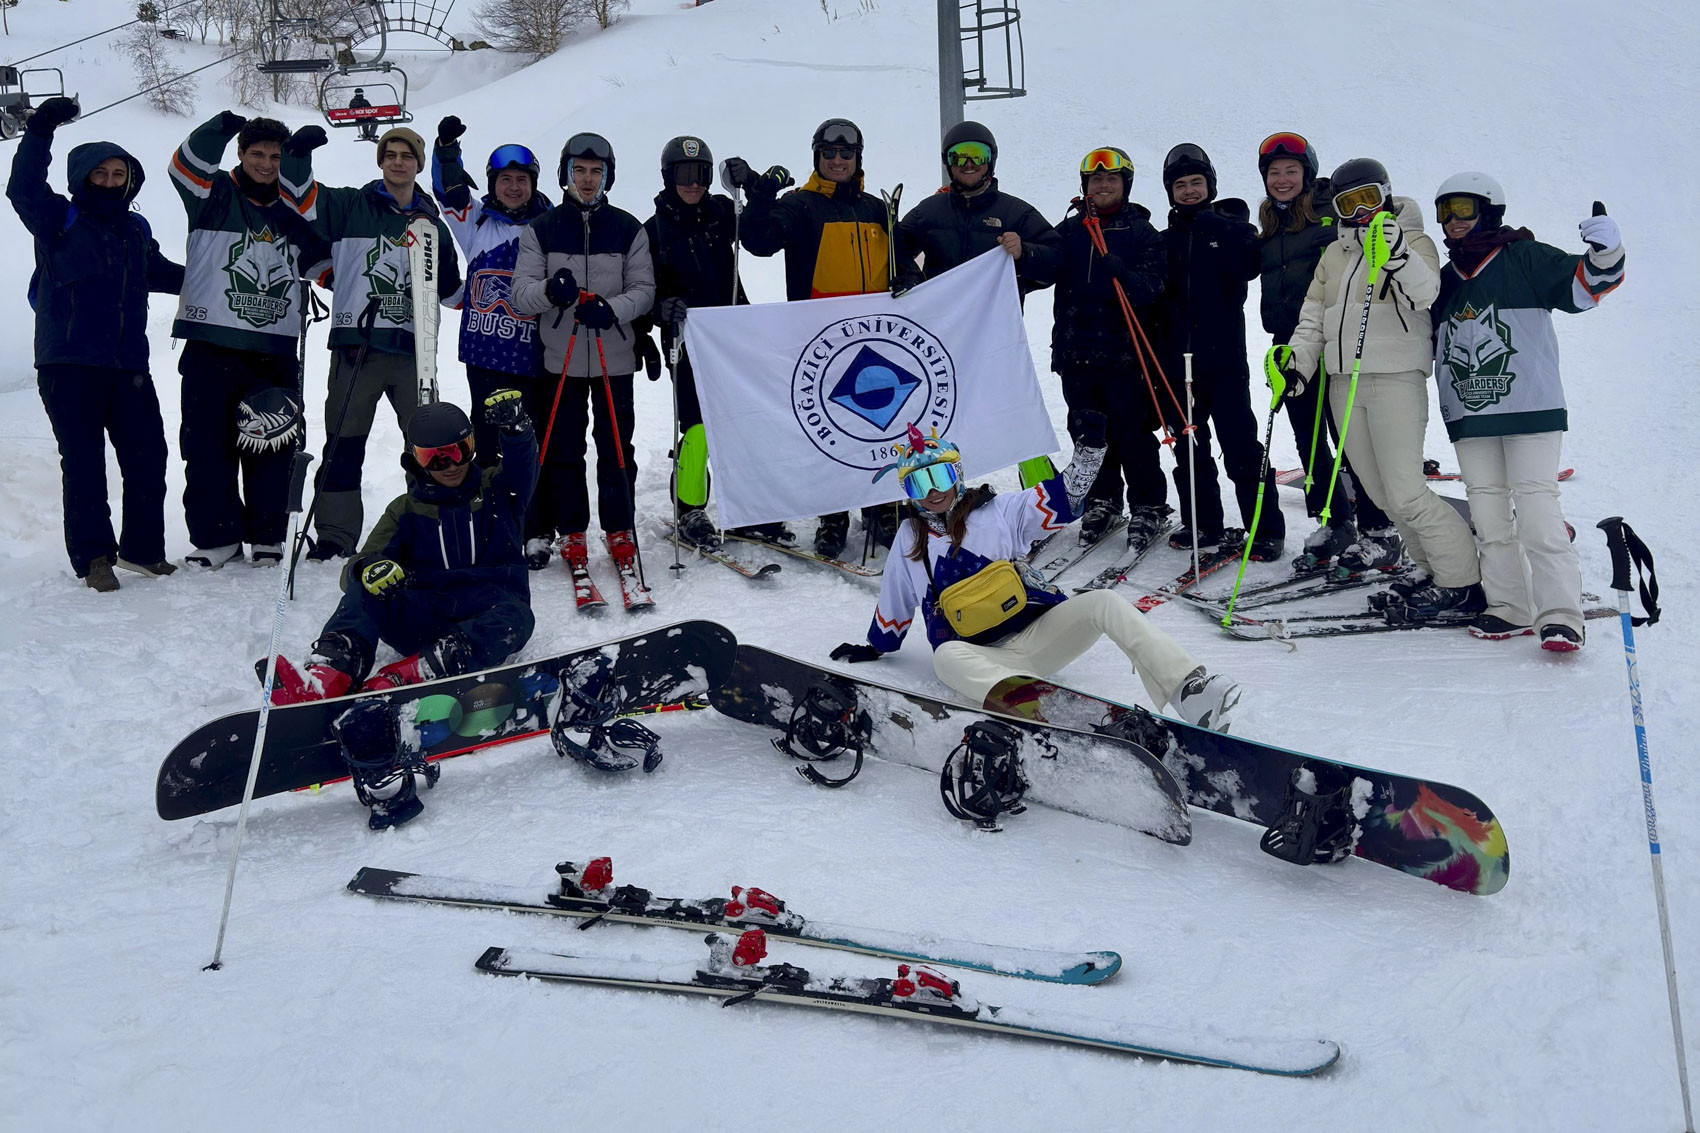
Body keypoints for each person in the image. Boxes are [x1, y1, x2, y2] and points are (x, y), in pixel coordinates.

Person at [830, 418, 1242, 733]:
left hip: (1041, 635)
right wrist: (877, 644)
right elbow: (896, 597)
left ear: (957, 474)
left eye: (939, 475)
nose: (932, 491)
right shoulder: (909, 537)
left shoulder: (999, 511)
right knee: (945, 657)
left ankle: (1190, 689)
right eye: (919, 482)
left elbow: (1066, 499)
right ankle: (1036, 709)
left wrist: (1090, 451)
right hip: (980, 656)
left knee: (1104, 602)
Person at [1431, 173, 1624, 650]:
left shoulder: (1524, 257)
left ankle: (1561, 613)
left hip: (1530, 410)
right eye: (1444, 211)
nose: (1453, 221)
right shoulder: (1442, 279)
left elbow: (1586, 287)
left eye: (1462, 208)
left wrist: (1606, 253)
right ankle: (1509, 605)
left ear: (1489, 210)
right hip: (1471, 416)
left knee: (1537, 511)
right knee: (1489, 514)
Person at [1284, 158, 1482, 617]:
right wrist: (1298, 364)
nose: (1360, 212)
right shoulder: (1333, 254)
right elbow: (1314, 314)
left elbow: (1426, 292)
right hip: (1342, 382)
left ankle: (1462, 579)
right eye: (1348, 204)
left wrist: (1395, 256)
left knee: (1407, 490)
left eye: (1368, 199)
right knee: (1379, 493)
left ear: (1386, 195)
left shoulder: (1413, 240)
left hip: (1395, 377)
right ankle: (1428, 567)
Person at [7, 95, 184, 592]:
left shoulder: (134, 229)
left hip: (128, 364)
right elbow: (21, 187)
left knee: (147, 454)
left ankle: (143, 551)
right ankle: (94, 558)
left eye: (118, 174)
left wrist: (214, 277)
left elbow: (160, 274)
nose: (110, 181)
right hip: (68, 364)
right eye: (100, 173)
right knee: (84, 462)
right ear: (83, 177)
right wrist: (40, 129)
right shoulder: (57, 219)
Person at [270, 392, 538, 704]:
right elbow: (357, 567)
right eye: (434, 458)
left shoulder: (500, 492)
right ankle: (331, 672)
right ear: (415, 459)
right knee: (365, 588)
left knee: (518, 618)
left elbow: (523, 467)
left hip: (489, 612)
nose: (450, 465)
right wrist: (370, 568)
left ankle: (409, 675)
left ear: (473, 447)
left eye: (459, 451)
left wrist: (517, 430)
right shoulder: (405, 510)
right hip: (426, 617)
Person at [724, 117, 898, 559]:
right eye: (829, 153)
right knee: (835, 428)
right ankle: (832, 513)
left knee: (881, 422)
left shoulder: (876, 210)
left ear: (859, 158)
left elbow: (898, 265)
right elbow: (760, 242)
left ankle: (881, 507)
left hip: (876, 339)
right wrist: (762, 197)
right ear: (817, 157)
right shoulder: (801, 205)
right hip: (822, 340)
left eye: (846, 154)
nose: (838, 161)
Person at [168, 110, 330, 569]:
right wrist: (218, 127)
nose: (266, 163)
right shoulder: (213, 193)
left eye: (275, 156)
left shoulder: (291, 208)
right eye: (257, 153)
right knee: (206, 445)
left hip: (272, 348)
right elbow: (185, 164)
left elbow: (321, 260)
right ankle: (217, 537)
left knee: (272, 442)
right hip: (211, 340)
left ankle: (269, 535)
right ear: (240, 154)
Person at [300, 126, 463, 561]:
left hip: (414, 353)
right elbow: (302, 197)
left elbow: (449, 290)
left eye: (406, 155)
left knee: (429, 446)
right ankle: (336, 533)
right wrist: (297, 153)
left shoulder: (432, 223)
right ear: (380, 161)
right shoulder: (352, 204)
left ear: (417, 164)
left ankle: (432, 522)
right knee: (343, 442)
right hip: (359, 347)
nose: (397, 162)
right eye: (389, 154)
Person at [510, 132, 655, 577]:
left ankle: (619, 527)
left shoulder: (628, 227)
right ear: (565, 174)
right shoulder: (543, 229)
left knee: (616, 449)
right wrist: (551, 292)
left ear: (607, 176)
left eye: (596, 171)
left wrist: (611, 308)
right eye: (579, 171)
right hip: (561, 359)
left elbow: (644, 291)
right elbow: (520, 294)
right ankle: (571, 528)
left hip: (615, 360)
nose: (587, 180)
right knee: (564, 450)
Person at [893, 120, 1061, 493]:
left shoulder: (1015, 211)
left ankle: (1044, 499)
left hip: (996, 337)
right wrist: (910, 280)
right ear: (948, 162)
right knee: (936, 417)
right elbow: (893, 249)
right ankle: (936, 493)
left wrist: (1025, 253)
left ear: (991, 162)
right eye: (959, 156)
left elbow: (1056, 257)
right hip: (941, 337)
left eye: (978, 156)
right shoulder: (931, 211)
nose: (969, 164)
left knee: (1016, 416)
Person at [637, 134, 788, 551]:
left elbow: (759, 230)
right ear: (669, 177)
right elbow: (641, 288)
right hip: (687, 340)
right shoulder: (652, 231)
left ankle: (750, 506)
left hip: (733, 335)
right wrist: (658, 310)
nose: (693, 184)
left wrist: (753, 182)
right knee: (698, 426)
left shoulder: (722, 212)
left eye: (701, 174)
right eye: (684, 175)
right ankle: (690, 510)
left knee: (745, 420)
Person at [1253, 131, 1392, 571]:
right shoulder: (1271, 226)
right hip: (1288, 346)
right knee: (1308, 440)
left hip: (1332, 343)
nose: (1281, 180)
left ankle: (1378, 528)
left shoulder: (1331, 216)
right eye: (1274, 173)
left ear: (1307, 174)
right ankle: (1334, 521)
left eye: (1291, 171)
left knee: (1346, 439)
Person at [1025, 146, 1170, 548]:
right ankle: (1102, 498)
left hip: (1125, 354)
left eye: (1111, 179)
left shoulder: (1141, 232)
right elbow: (1043, 269)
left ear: (1125, 184)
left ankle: (1148, 505)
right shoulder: (1069, 231)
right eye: (1096, 179)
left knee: (1131, 433)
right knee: (1088, 433)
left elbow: (1154, 289)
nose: (1103, 185)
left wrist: (1123, 273)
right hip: (1076, 352)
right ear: (1085, 185)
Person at [429, 116, 556, 568]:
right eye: (506, 180)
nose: (514, 188)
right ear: (493, 184)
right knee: (486, 445)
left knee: (529, 443)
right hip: (485, 353)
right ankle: (490, 523)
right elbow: (446, 194)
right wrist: (446, 150)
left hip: (532, 352)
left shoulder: (549, 224)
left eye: (521, 180)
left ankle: (536, 528)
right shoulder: (476, 222)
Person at [1156, 143, 1282, 559]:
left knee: (1242, 447)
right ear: (1170, 191)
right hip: (1178, 364)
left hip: (1224, 361)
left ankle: (1265, 530)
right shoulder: (1164, 241)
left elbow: (1249, 265)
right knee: (1189, 448)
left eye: (1197, 183)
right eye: (1181, 184)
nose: (1189, 191)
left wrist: (1219, 225)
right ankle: (1203, 524)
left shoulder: (1231, 230)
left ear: (1209, 185)